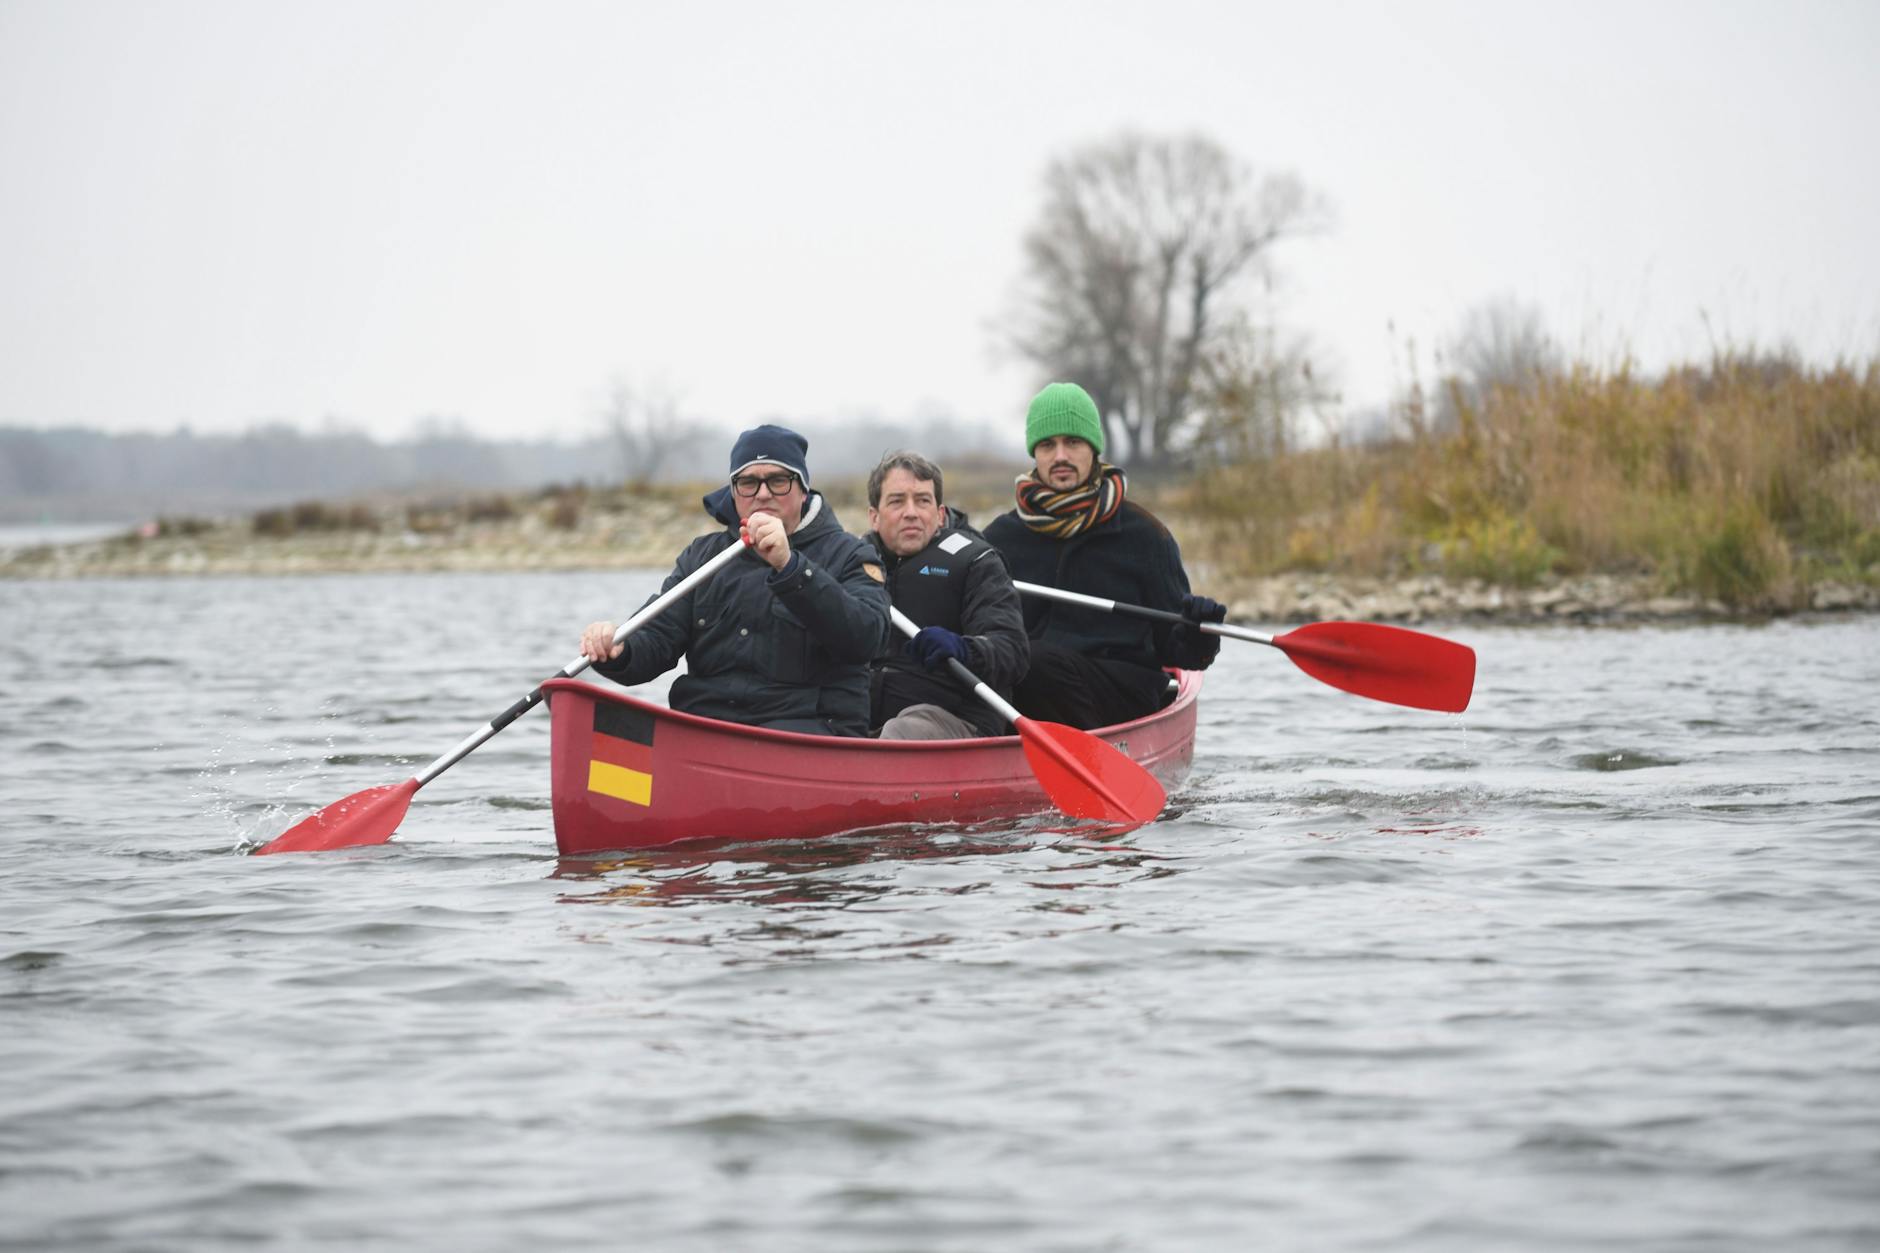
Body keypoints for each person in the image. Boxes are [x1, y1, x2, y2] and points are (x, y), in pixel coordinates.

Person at [578, 424, 889, 736]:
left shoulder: (852, 554)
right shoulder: (702, 557)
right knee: (603, 727)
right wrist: (619, 649)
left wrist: (790, 566)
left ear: (803, 489)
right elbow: (658, 638)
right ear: (733, 491)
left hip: (809, 735)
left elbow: (866, 639)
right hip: (705, 729)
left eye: (779, 480)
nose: (763, 493)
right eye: (748, 482)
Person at [982, 382, 1226, 730]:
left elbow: (1180, 654)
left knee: (1031, 662)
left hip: (1122, 696)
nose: (1061, 456)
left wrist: (1199, 633)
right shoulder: (999, 538)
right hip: (1025, 693)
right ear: (1034, 453)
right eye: (1048, 445)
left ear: (1094, 449)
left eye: (1073, 442)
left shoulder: (1144, 534)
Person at [863, 451, 1030, 739]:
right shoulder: (851, 564)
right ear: (874, 517)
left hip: (955, 719)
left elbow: (1012, 652)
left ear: (940, 515)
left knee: (901, 731)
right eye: (897, 501)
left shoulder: (978, 563)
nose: (911, 512)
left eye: (923, 500)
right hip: (862, 712)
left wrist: (965, 649)